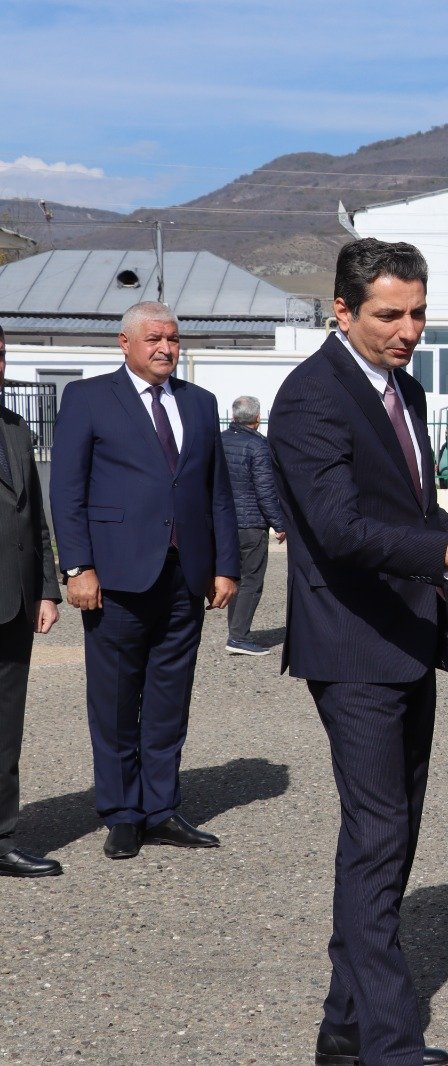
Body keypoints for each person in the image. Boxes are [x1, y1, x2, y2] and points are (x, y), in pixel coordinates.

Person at [269, 238, 448, 1066]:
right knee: (378, 836)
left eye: (419, 312)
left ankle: (345, 1027)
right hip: (350, 644)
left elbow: (409, 511)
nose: (410, 330)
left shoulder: (407, 390)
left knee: (389, 835)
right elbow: (341, 528)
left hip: (408, 637)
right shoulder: (310, 398)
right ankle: (389, 1046)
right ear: (342, 311)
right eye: (391, 314)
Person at [51, 301, 240, 860]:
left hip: (185, 577)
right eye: (154, 338)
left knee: (168, 699)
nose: (165, 348)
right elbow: (68, 492)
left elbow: (218, 493)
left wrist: (226, 565)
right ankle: (122, 813)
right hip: (115, 579)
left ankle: (161, 807)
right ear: (124, 343)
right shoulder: (87, 399)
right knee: (113, 701)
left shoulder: (200, 405)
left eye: (174, 339)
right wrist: (77, 566)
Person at [0, 325, 63, 878]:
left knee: (5, 729)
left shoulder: (16, 430)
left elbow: (34, 519)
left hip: (15, 605)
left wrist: (46, 588)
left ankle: (1, 839)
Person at [221, 395, 287, 656]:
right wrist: (279, 524)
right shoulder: (259, 447)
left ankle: (235, 633)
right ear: (258, 419)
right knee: (251, 580)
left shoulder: (219, 441)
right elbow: (265, 491)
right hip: (250, 524)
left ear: (234, 417)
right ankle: (238, 636)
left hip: (225, 522)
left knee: (233, 578)